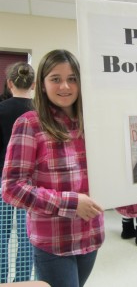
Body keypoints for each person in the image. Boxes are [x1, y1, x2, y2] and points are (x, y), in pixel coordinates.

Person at [1, 49, 105, 287]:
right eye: (56, 79)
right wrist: (70, 203)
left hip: (91, 235)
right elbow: (12, 188)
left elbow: (109, 177)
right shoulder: (29, 123)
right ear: (42, 85)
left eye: (72, 79)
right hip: (54, 241)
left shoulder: (93, 123)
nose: (65, 86)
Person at [0, 62, 35, 282]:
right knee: (27, 235)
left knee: (1, 235)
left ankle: (1, 280)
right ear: (33, 84)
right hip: (30, 183)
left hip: (1, 180)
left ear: (10, 83)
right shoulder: (40, 112)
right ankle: (22, 281)